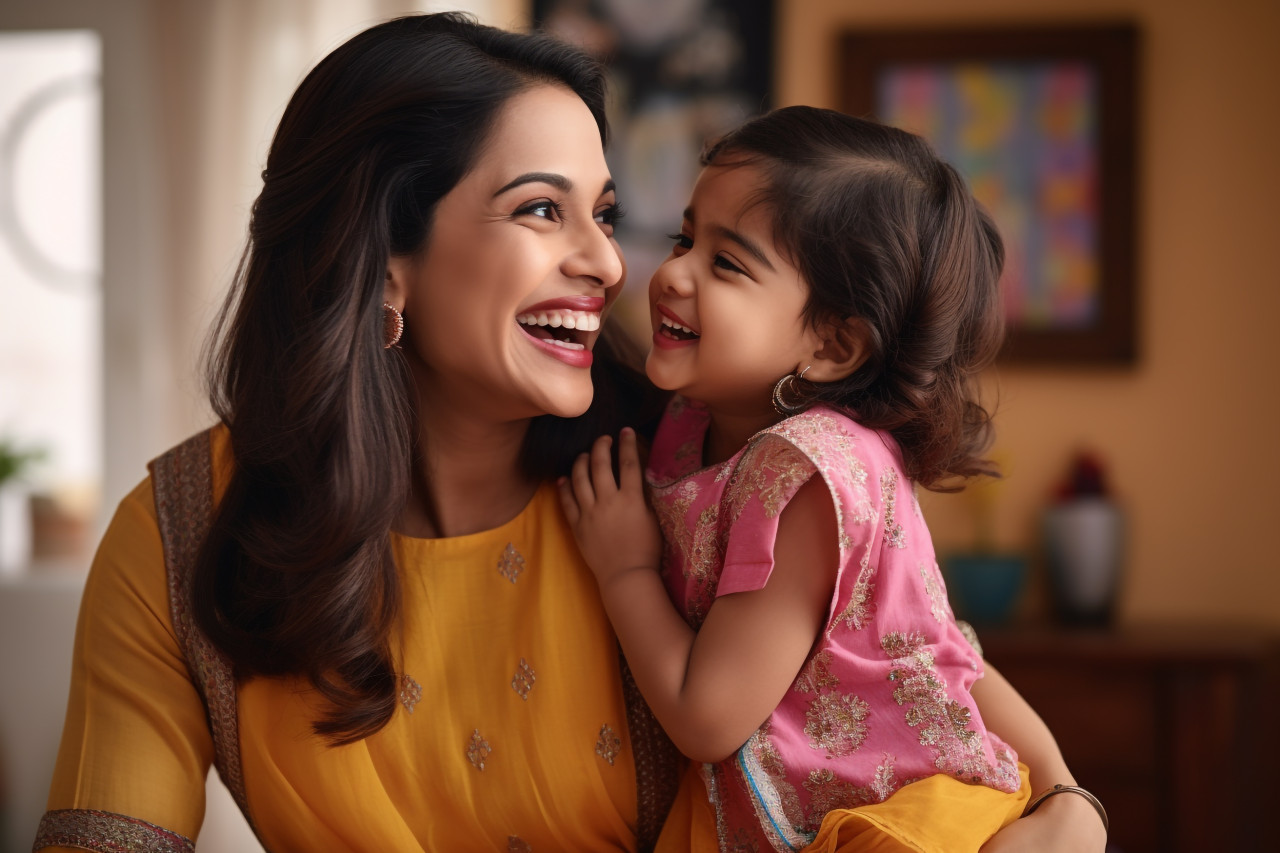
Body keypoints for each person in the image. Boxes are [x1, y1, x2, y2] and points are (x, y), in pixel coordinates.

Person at [35, 13, 1103, 853]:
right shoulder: (179, 537)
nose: (608, 263)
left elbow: (899, 653)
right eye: (542, 209)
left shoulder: (678, 481)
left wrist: (1065, 803)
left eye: (602, 212)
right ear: (382, 261)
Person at [559, 107, 1110, 852]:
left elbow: (707, 718)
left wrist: (624, 566)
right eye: (684, 238)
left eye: (727, 263)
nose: (673, 273)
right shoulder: (692, 420)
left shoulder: (810, 472)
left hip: (883, 822)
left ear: (833, 344)